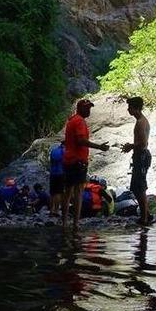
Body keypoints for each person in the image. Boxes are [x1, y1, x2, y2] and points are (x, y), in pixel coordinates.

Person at [62, 98, 109, 229]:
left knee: (67, 192)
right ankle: (76, 223)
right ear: (80, 108)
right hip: (78, 162)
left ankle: (65, 222)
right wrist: (99, 147)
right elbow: (81, 140)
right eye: (87, 108)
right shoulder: (80, 122)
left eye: (90, 108)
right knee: (78, 192)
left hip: (69, 160)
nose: (89, 110)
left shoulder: (71, 120)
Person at [122, 96, 152, 225]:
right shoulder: (142, 120)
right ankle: (147, 215)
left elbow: (143, 143)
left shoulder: (141, 122)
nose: (128, 109)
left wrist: (130, 146)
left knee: (139, 187)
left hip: (142, 156)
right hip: (141, 156)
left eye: (130, 107)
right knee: (136, 187)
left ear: (135, 108)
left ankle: (145, 218)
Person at [48, 142, 65, 215]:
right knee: (58, 192)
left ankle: (51, 210)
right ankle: (56, 210)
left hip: (52, 173)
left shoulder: (53, 151)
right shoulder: (65, 151)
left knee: (52, 193)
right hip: (60, 173)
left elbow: (51, 162)